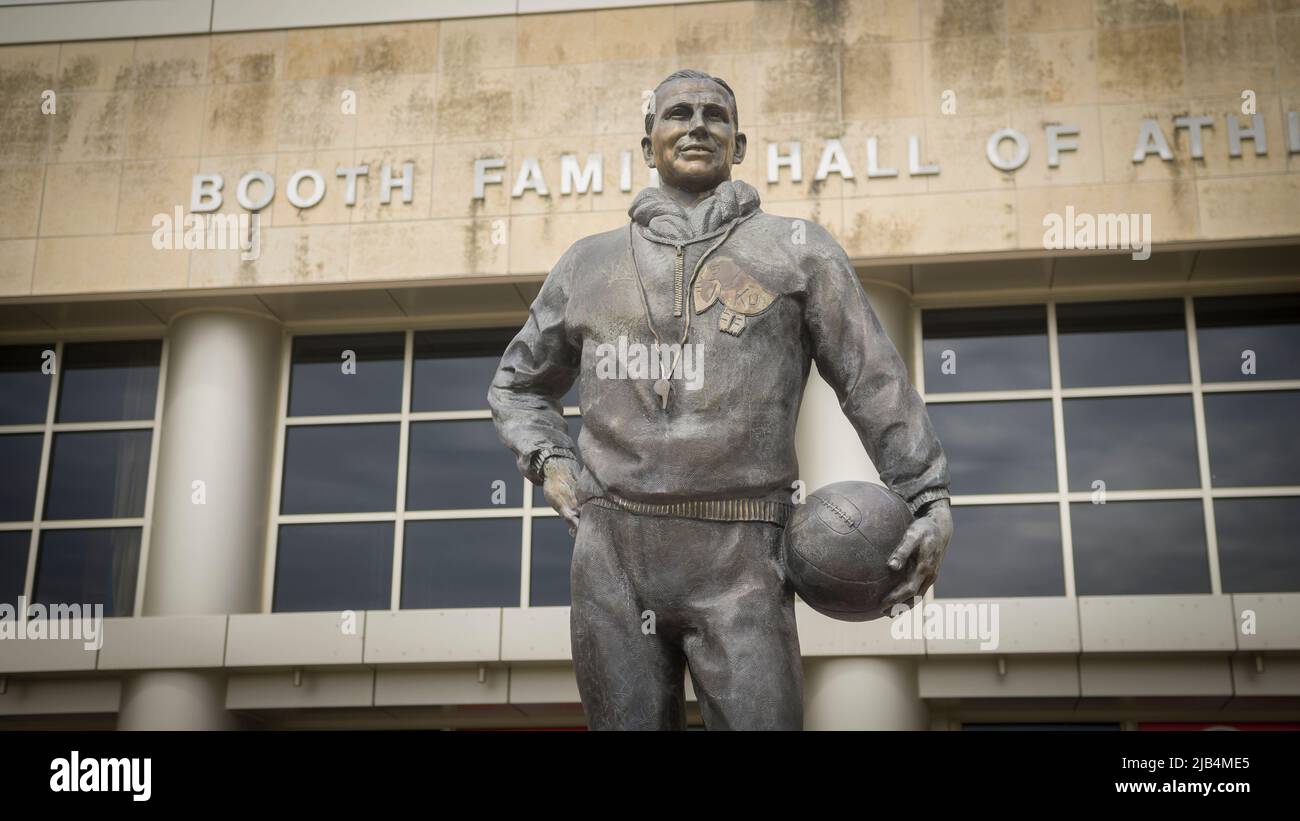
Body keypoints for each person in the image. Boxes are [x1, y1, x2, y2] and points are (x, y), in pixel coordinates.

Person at [488, 69, 951, 730]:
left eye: (714, 115)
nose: (698, 124)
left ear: (738, 143)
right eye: (678, 113)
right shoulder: (585, 265)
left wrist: (928, 495)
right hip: (612, 554)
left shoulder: (799, 251)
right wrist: (550, 461)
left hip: (743, 552)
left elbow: (874, 380)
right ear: (649, 145)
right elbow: (517, 385)